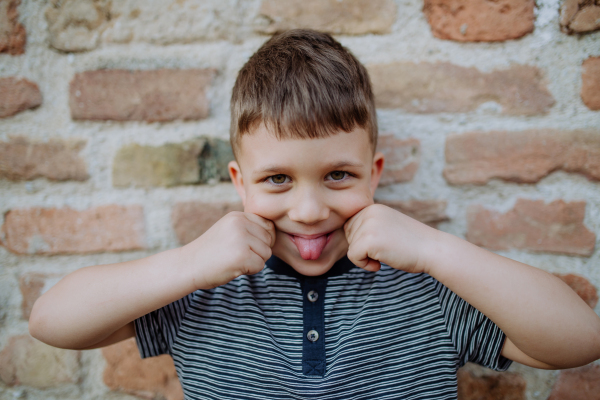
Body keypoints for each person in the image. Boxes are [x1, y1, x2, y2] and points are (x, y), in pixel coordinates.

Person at [29, 29, 600, 399]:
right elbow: (53, 321)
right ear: (239, 183)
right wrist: (189, 264)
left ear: (374, 174)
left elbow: (579, 340)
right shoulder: (200, 289)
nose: (308, 210)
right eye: (277, 180)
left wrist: (436, 250)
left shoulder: (430, 289)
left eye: (338, 176)